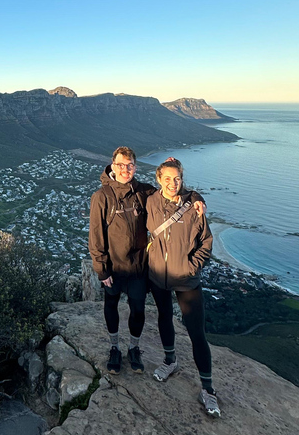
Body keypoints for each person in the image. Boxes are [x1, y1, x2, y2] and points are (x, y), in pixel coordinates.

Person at [88, 147, 204, 375]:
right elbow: (96, 235)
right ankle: (114, 348)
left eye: (130, 165)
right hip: (114, 267)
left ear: (135, 167)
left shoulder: (143, 192)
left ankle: (134, 348)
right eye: (121, 165)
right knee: (111, 306)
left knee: (138, 310)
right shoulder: (101, 196)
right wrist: (102, 270)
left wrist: (196, 197)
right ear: (113, 166)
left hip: (139, 268)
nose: (125, 169)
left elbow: (172, 191)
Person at [146, 158, 220, 417]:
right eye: (167, 178)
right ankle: (170, 361)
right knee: (164, 318)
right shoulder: (151, 200)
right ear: (158, 179)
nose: (172, 183)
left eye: (176, 178)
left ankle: (208, 389)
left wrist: (192, 266)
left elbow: (206, 242)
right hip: (158, 276)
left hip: (187, 278)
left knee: (196, 332)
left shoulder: (193, 207)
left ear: (182, 178)